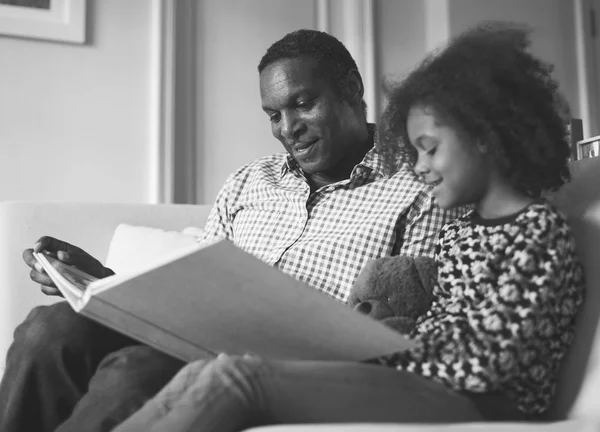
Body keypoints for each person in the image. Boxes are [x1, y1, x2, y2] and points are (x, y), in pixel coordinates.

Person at [109, 22, 585, 432]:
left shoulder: (536, 232)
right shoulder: (467, 228)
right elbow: (427, 322)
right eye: (414, 151)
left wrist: (386, 353)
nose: (417, 167)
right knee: (202, 374)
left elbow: (486, 363)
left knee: (235, 379)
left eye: (429, 148)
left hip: (478, 405)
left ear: (486, 140)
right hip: (422, 380)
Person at [0, 30, 460, 432]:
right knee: (50, 328)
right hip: (194, 339)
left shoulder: (419, 186)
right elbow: (189, 290)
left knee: (134, 371)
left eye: (303, 104)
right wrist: (103, 281)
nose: (288, 129)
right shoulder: (248, 181)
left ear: (351, 89)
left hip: (288, 367)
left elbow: (400, 322)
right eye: (273, 114)